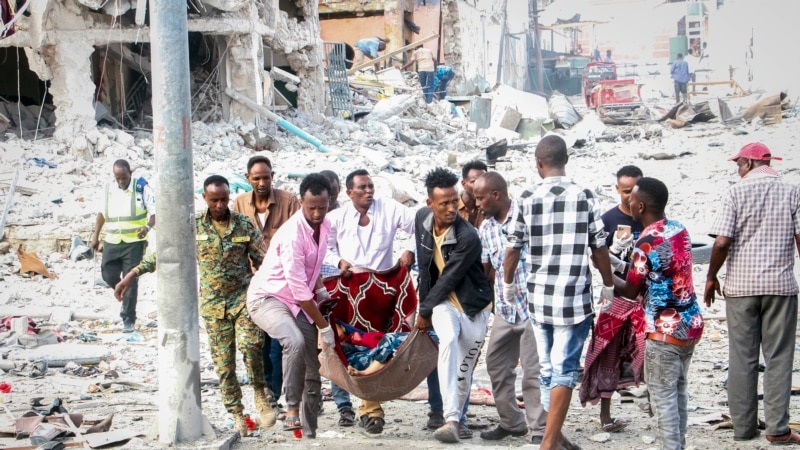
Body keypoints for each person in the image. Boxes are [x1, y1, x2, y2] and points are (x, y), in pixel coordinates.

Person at [114, 175, 272, 436]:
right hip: (213, 306)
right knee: (224, 365)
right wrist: (133, 273)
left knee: (251, 345)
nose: (221, 205)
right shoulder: (194, 227)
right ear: (205, 199)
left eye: (224, 199)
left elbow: (264, 261)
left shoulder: (244, 224)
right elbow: (166, 253)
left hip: (243, 299)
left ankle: (259, 392)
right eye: (215, 200)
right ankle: (236, 414)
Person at [504, 135, 614, 450]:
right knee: (564, 369)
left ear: (539, 163)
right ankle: (549, 442)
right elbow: (599, 246)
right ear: (565, 160)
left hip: (539, 297)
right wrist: (607, 284)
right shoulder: (585, 195)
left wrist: (509, 285)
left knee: (548, 369)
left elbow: (513, 247)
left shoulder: (526, 196)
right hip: (573, 298)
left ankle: (553, 434)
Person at [705, 143, 800, 445]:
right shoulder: (792, 191)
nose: (737, 169)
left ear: (747, 162)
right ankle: (777, 429)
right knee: (779, 358)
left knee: (742, 358)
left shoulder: (736, 192)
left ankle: (744, 429)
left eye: (738, 164)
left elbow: (721, 242)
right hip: (780, 288)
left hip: (741, 289)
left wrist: (711, 277)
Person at [613, 177, 704, 450]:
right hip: (690, 322)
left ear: (640, 206)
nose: (628, 205)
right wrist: (619, 264)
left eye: (631, 201)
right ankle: (679, 444)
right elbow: (655, 274)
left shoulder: (647, 240)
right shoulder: (679, 229)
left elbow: (630, 289)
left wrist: (605, 274)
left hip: (664, 330)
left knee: (663, 399)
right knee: (678, 392)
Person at [324, 169, 416, 433]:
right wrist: (338, 261)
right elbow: (325, 247)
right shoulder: (337, 217)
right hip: (350, 291)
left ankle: (370, 409)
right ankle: (356, 408)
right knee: (347, 347)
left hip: (382, 294)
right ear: (349, 192)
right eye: (362, 188)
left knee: (376, 348)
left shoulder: (390, 208)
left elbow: (420, 226)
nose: (368, 191)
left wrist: (408, 249)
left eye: (371, 186)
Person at [246, 173, 334, 438]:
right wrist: (323, 326)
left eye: (322, 207)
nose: (317, 213)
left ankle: (309, 422)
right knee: (294, 341)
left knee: (310, 356)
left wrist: (321, 289)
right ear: (300, 203)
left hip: (298, 301)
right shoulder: (293, 234)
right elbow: (298, 289)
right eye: (311, 208)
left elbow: (312, 266)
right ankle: (291, 408)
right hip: (267, 298)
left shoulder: (326, 225)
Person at [414, 167, 492, 444]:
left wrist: (424, 311)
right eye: (444, 203)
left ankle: (459, 416)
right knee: (446, 342)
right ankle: (451, 420)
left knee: (463, 369)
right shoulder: (421, 219)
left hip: (472, 308)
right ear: (430, 204)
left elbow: (449, 277)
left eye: (454, 201)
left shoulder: (468, 236)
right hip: (442, 303)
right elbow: (425, 269)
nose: (451, 208)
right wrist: (425, 307)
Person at [473, 172, 546, 444]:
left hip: (531, 308)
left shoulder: (527, 217)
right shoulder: (486, 228)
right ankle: (511, 422)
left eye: (480, 197)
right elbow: (487, 268)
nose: (477, 203)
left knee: (532, 371)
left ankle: (539, 429)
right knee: (496, 365)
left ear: (496, 195)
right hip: (505, 308)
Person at [580, 165, 646, 432]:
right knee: (608, 355)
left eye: (635, 191)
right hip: (617, 298)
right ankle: (605, 416)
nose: (630, 197)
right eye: (626, 191)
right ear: (617, 189)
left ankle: (657, 406)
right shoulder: (607, 220)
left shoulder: (649, 217)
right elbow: (599, 259)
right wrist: (618, 280)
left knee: (649, 354)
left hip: (645, 299)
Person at [234, 155, 300, 414]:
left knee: (279, 341)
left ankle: (278, 391)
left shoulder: (288, 202)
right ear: (248, 178)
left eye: (266, 177)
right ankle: (266, 391)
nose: (262, 182)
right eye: (256, 178)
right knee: (256, 342)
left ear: (273, 176)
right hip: (251, 285)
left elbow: (298, 236)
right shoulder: (239, 204)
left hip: (281, 284)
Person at [90, 159, 155, 334]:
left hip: (134, 243)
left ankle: (128, 320)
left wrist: (147, 227)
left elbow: (155, 213)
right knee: (107, 274)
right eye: (117, 178)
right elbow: (101, 214)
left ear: (130, 174)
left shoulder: (141, 188)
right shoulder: (109, 189)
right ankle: (123, 292)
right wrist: (95, 236)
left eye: (124, 178)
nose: (121, 182)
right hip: (112, 241)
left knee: (131, 280)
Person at [458, 160, 488, 229]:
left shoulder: (489, 207)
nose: (480, 186)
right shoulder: (453, 208)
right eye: (474, 181)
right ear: (463, 184)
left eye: (483, 181)